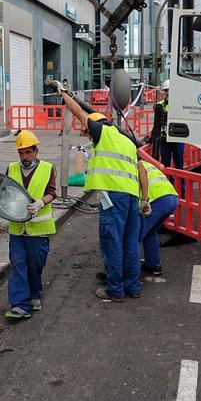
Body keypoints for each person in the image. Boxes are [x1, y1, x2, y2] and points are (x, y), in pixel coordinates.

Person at [57, 81, 141, 302]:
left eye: (87, 132)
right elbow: (140, 168)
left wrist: (64, 94)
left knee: (112, 241)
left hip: (114, 197)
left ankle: (115, 289)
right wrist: (146, 199)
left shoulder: (102, 131)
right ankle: (132, 286)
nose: (88, 136)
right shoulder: (127, 141)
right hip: (133, 196)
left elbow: (78, 112)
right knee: (130, 243)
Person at [2, 130, 57, 319]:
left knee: (35, 266)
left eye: (28, 152)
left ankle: (34, 295)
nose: (25, 157)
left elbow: (52, 192)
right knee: (18, 265)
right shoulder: (11, 168)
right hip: (17, 229)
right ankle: (19, 304)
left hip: (39, 230)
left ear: (36, 151)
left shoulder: (48, 168)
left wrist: (42, 202)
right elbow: (3, 192)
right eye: (21, 153)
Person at [137, 160, 179, 276]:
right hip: (172, 198)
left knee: (136, 236)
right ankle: (153, 265)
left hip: (156, 199)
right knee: (150, 232)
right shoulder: (146, 164)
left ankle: (125, 272)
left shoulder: (135, 164)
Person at [153, 79, 185, 169]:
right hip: (164, 139)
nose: (167, 92)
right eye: (166, 90)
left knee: (179, 163)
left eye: (169, 90)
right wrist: (152, 138)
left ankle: (181, 182)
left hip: (177, 138)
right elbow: (156, 125)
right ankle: (167, 181)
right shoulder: (159, 105)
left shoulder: (181, 105)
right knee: (165, 164)